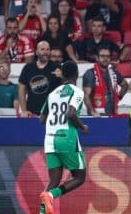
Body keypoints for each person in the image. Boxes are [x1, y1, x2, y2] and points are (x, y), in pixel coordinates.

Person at [39, 60, 88, 214]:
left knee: (53, 180)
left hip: (49, 139)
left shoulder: (52, 93)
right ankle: (51, 195)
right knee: (79, 177)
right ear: (76, 74)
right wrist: (82, 126)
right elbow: (71, 113)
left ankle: (42, 211)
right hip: (66, 137)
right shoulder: (76, 91)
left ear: (63, 75)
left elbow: (42, 119)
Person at [82, 45, 129, 116]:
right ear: (97, 58)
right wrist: (92, 111)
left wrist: (118, 97)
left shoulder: (114, 72)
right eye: (102, 56)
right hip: (97, 116)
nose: (105, 58)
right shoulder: (90, 73)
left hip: (112, 114)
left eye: (108, 56)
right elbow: (86, 95)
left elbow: (125, 85)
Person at [18, 40, 61, 117]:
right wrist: (24, 110)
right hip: (32, 113)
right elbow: (21, 89)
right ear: (36, 52)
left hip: (52, 113)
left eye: (47, 49)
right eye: (42, 49)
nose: (45, 52)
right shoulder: (28, 68)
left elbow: (67, 86)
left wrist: (62, 77)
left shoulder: (57, 67)